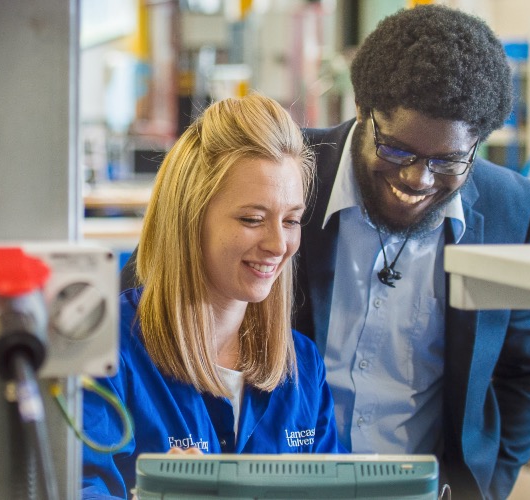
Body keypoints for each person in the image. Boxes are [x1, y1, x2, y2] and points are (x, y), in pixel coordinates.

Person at [292, 5, 530, 499]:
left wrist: (486, 485)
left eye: (448, 160)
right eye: (396, 149)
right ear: (361, 109)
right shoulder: (285, 174)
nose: (417, 179)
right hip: (282, 485)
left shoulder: (511, 211)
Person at [82, 93, 344, 499]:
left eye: (291, 220)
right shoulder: (104, 350)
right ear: (189, 218)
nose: (279, 244)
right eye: (252, 219)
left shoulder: (302, 366)